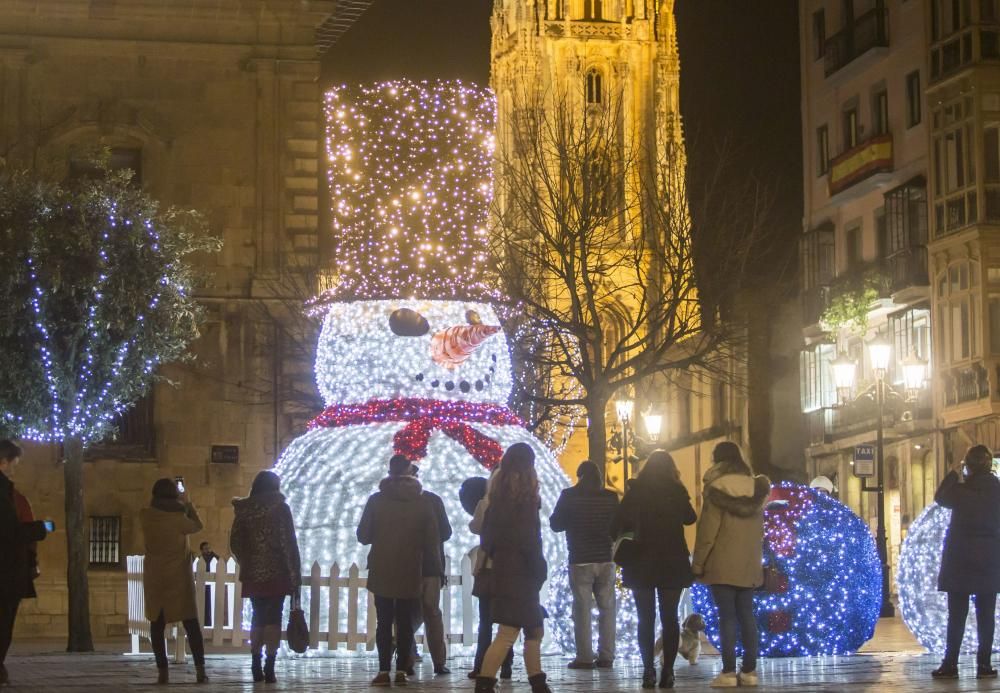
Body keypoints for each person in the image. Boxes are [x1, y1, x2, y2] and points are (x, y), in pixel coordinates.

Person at [610, 450, 696, 689]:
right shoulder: (676, 491)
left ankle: (648, 669)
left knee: (645, 619)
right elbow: (690, 518)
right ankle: (667, 671)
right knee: (670, 618)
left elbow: (615, 524)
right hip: (672, 561)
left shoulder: (636, 492)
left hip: (641, 562)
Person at [691, 442, 770, 689]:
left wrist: (698, 563)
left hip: (721, 563)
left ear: (717, 461)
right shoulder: (756, 488)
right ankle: (749, 671)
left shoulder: (716, 490)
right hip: (748, 563)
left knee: (727, 617)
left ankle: (727, 672)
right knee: (747, 615)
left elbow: (707, 532)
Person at [357, 455, 441, 687]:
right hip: (411, 567)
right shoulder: (423, 503)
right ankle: (402, 671)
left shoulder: (376, 501)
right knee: (405, 621)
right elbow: (432, 540)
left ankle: (384, 670)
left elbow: (362, 536)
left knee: (383, 621)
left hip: (382, 567)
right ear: (410, 472)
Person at [475, 443, 551, 693]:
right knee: (509, 631)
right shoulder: (525, 501)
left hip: (504, 570)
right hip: (522, 572)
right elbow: (530, 539)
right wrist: (539, 567)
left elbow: (488, 539)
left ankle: (537, 682)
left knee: (533, 628)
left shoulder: (497, 500)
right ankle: (486, 682)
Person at [931, 444, 1000, 680]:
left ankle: (950, 663)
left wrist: (953, 472)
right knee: (986, 616)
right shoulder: (997, 491)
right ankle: (984, 665)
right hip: (989, 561)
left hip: (959, 561)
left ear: (968, 467)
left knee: (957, 616)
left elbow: (939, 497)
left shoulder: (959, 492)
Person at [231, 471, 302, 684]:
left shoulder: (243, 511)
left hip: (253, 572)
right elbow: (287, 543)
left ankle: (255, 659)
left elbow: (235, 543)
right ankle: (269, 666)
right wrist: (294, 574)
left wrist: (248, 560)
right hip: (277, 571)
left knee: (258, 616)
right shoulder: (280, 509)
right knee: (274, 618)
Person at [550, 460, 619, 669]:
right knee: (607, 608)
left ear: (579, 476)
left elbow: (555, 524)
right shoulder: (610, 497)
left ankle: (584, 657)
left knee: (582, 609)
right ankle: (606, 655)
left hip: (580, 559)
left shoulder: (569, 496)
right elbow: (618, 525)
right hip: (605, 558)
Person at [140, 478, 208, 685]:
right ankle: (200, 670)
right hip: (178, 577)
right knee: (190, 623)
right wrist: (188, 503)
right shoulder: (179, 519)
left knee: (156, 623)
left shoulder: (146, 516)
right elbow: (198, 525)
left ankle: (163, 671)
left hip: (155, 576)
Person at [0, 440, 49, 686]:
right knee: (4, 621)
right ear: (3, 461)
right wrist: (41, 528)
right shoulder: (7, 495)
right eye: (13, 464)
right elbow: (11, 532)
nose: (14, 470)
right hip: (6, 571)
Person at [464, 474, 514, 681]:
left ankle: (481, 666)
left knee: (485, 621)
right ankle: (506, 665)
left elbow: (476, 527)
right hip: (510, 569)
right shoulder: (516, 503)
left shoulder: (485, 503)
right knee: (506, 621)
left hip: (489, 567)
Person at [407, 463, 453, 675]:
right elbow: (445, 532)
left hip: (406, 565)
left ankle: (406, 657)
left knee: (405, 613)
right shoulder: (432, 500)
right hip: (431, 565)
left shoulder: (395, 501)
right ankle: (439, 661)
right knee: (432, 613)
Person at [198, 542, 220, 627]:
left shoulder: (213, 557)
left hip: (213, 584)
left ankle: (209, 623)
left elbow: (220, 561)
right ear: (202, 550)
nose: (208, 550)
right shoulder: (200, 559)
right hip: (202, 585)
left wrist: (213, 554)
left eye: (209, 548)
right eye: (206, 549)